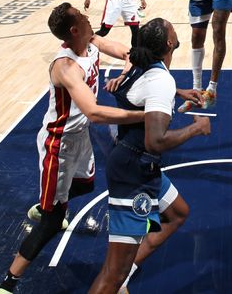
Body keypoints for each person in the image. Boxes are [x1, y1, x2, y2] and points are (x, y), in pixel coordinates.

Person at [0, 3, 145, 294]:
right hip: (57, 145)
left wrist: (127, 66)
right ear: (75, 30)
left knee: (86, 186)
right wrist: (145, 116)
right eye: (84, 18)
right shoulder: (65, 67)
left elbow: (125, 51)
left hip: (80, 138)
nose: (90, 19)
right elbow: (95, 113)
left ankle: (47, 203)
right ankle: (8, 283)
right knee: (52, 222)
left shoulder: (91, 40)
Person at [88, 18, 210, 294]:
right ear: (169, 43)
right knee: (111, 273)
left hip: (137, 163)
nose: (174, 28)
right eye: (171, 28)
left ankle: (126, 273)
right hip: (134, 170)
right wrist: (196, 128)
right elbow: (155, 142)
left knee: (178, 214)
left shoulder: (139, 65)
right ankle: (119, 278)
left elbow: (139, 90)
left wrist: (178, 91)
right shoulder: (160, 80)